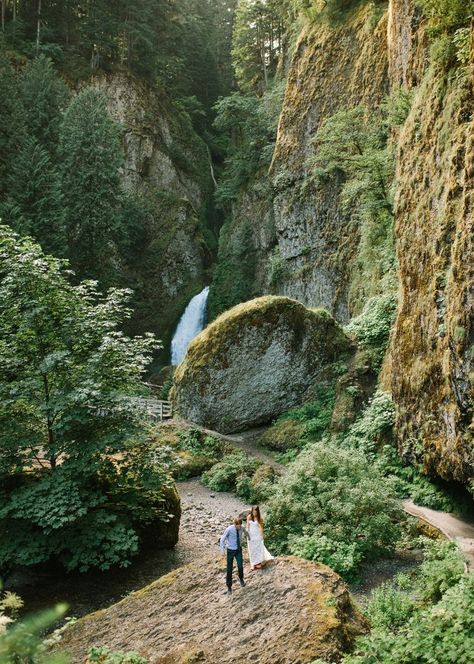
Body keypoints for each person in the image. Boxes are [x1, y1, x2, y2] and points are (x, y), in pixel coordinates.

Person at [220, 517, 247, 595]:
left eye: (240, 525)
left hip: (238, 550)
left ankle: (241, 579)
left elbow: (246, 533)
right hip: (230, 551)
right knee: (229, 569)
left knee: (240, 565)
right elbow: (222, 539)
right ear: (234, 524)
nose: (239, 527)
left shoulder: (242, 528)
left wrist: (249, 538)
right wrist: (222, 551)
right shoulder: (229, 529)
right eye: (237, 525)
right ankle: (229, 587)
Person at [247, 505, 273, 570]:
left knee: (258, 549)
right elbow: (247, 526)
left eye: (256, 511)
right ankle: (252, 564)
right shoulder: (249, 517)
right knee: (251, 549)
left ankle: (258, 562)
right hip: (251, 535)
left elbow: (261, 528)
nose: (254, 512)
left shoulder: (259, 518)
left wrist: (261, 536)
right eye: (253, 511)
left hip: (257, 535)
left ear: (258, 512)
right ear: (252, 511)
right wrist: (247, 534)